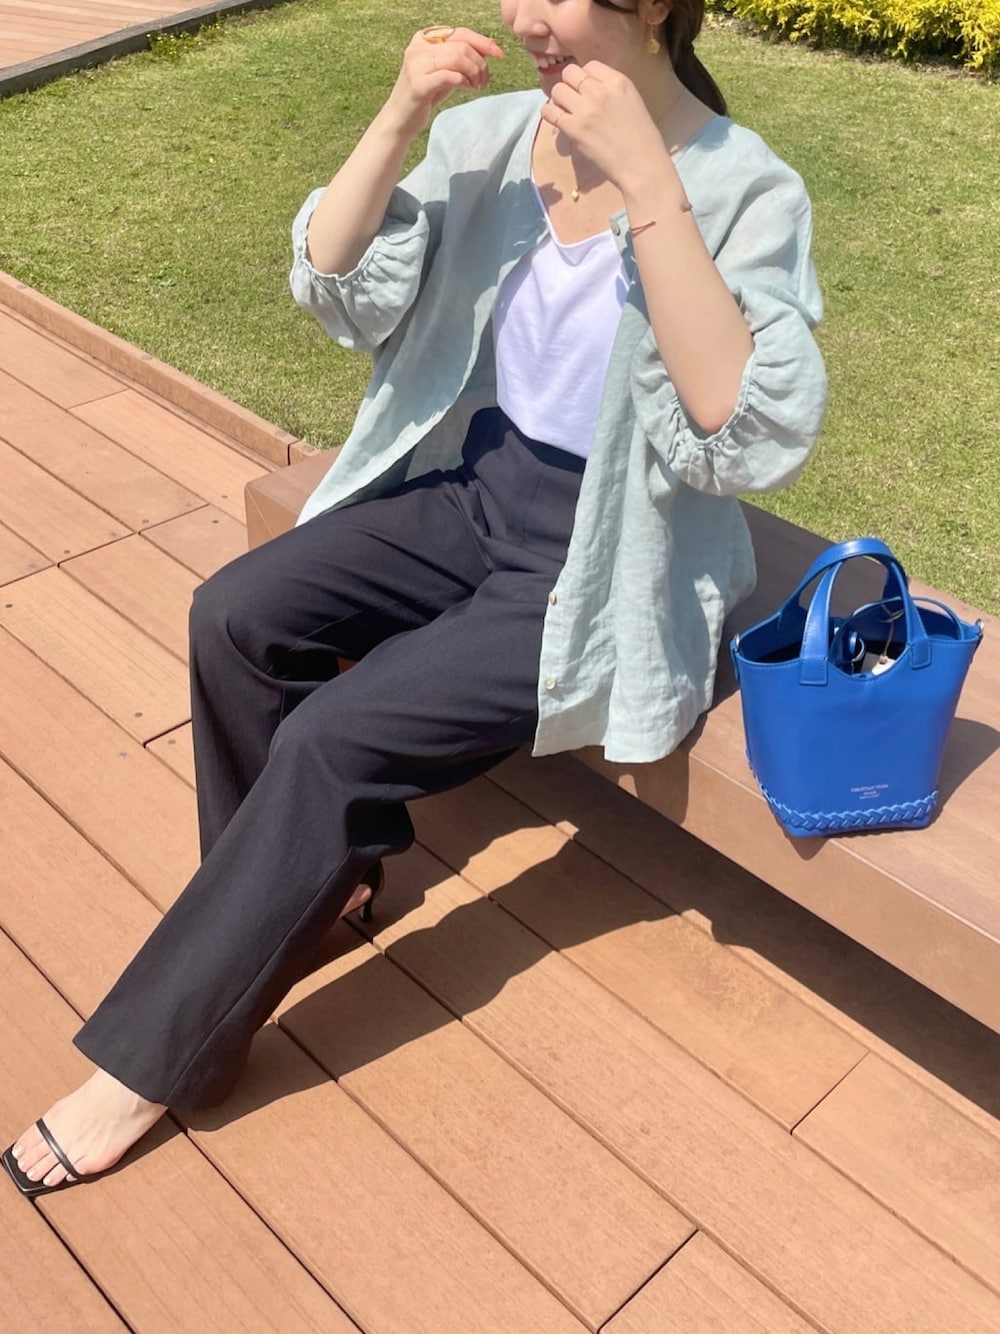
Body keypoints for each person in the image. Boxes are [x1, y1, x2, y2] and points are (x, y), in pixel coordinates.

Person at [2, 0, 826, 1196]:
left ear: (651, 4)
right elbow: (336, 278)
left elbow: (739, 430)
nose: (523, 15)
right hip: (473, 484)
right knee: (233, 616)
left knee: (334, 737)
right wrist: (400, 114)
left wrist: (652, 185)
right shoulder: (493, 137)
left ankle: (155, 1056)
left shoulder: (747, 187)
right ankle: (301, 895)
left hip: (607, 551)